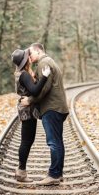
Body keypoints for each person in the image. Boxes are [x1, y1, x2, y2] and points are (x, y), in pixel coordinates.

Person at [21, 43, 69, 185]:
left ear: (37, 51)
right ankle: (57, 174)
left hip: (51, 108)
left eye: (30, 53)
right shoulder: (50, 61)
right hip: (58, 108)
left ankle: (53, 175)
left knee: (53, 142)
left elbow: (43, 89)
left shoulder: (44, 63)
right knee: (58, 141)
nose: (29, 57)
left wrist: (29, 100)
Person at [11, 48, 51, 182]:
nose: (30, 57)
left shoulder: (19, 73)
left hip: (25, 109)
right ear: (26, 60)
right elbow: (34, 90)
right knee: (27, 141)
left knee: (27, 140)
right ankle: (21, 172)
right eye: (28, 56)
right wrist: (44, 77)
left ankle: (21, 170)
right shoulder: (24, 75)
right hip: (27, 110)